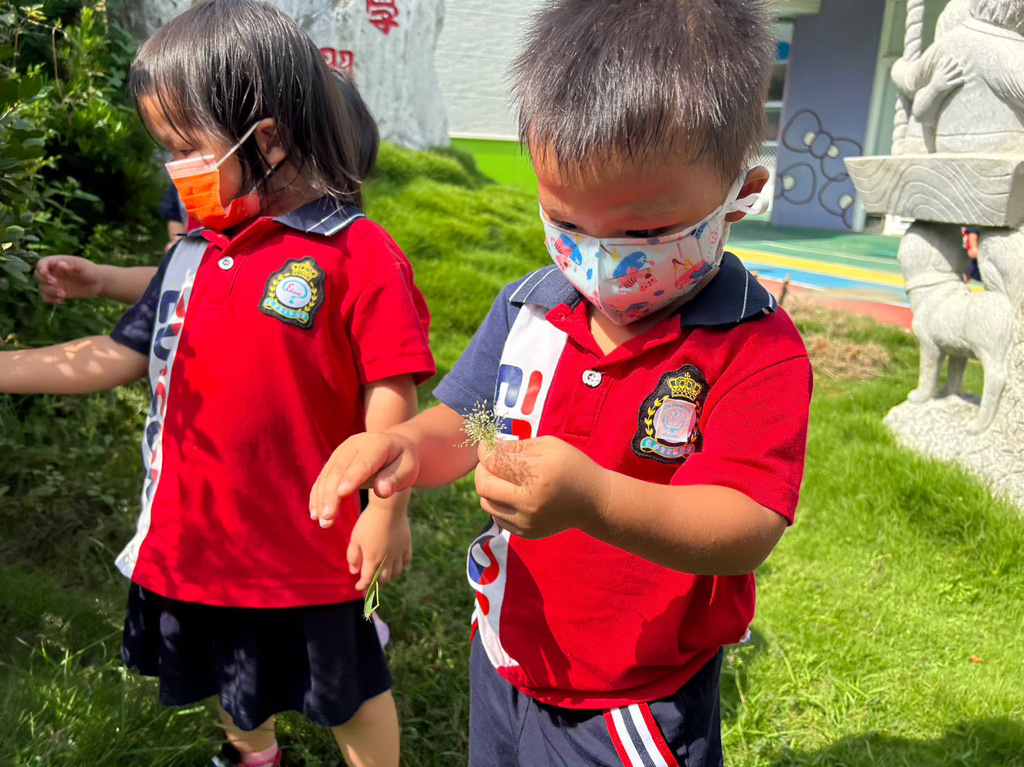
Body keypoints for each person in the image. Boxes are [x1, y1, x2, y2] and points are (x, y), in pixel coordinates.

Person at [311, 1, 813, 765]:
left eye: (645, 231)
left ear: (739, 192)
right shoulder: (532, 307)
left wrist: (595, 498)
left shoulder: (752, 345)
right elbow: (467, 424)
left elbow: (745, 525)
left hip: (635, 692)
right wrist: (406, 446)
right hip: (507, 651)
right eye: (567, 223)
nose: (602, 258)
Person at [1, 2, 434, 766]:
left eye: (183, 148)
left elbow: (390, 391)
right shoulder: (195, 252)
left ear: (265, 139)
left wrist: (387, 508)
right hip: (199, 534)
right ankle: (253, 753)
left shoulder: (359, 254)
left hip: (310, 546)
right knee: (225, 668)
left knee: (350, 686)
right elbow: (117, 352)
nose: (174, 170)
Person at [35, 69, 379, 308]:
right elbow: (184, 286)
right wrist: (102, 280)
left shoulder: (355, 260)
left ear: (274, 142)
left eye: (187, 149)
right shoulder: (225, 229)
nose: (178, 166)